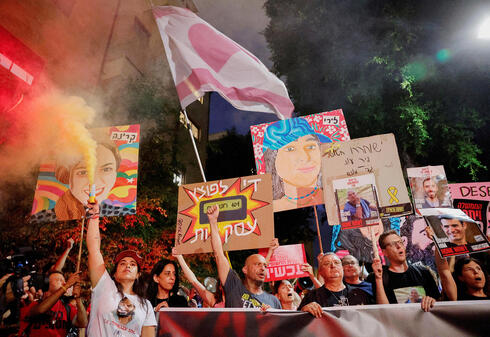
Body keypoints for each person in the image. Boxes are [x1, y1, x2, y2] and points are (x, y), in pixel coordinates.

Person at [30, 134, 136, 223]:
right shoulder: (43, 217)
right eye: (83, 172)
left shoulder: (119, 212)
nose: (94, 182)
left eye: (106, 169)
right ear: (67, 176)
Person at [86, 203, 156, 336]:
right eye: (122, 263)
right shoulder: (104, 286)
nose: (128, 266)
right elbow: (94, 250)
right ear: (115, 274)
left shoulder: (146, 306)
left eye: (132, 264)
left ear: (138, 275)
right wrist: (94, 216)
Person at [208, 205, 281, 309]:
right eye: (257, 264)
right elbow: (218, 254)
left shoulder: (274, 301)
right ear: (245, 269)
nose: (263, 268)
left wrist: (270, 316)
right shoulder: (234, 287)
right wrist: (213, 221)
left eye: (265, 266)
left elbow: (280, 324)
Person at [262, 118, 331, 212]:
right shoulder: (265, 213)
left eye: (311, 147)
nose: (305, 157)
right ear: (272, 160)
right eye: (290, 149)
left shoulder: (340, 199)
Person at [368, 230, 440, 312]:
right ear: (384, 252)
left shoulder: (424, 272)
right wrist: (378, 278)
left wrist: (432, 301)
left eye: (400, 242)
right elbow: (384, 312)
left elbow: (439, 303)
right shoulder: (380, 277)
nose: (398, 246)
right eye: (392, 244)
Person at [299, 253, 373, 317]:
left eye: (337, 262)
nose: (333, 265)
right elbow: (296, 323)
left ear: (342, 269)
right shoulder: (312, 297)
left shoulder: (360, 293)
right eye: (327, 263)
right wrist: (303, 312)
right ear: (320, 272)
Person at [18, 271, 87, 336]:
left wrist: (78, 298)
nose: (64, 283)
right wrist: (66, 286)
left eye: (64, 280)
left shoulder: (67, 308)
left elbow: (83, 323)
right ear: (47, 284)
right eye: (59, 280)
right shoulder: (32, 304)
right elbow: (41, 310)